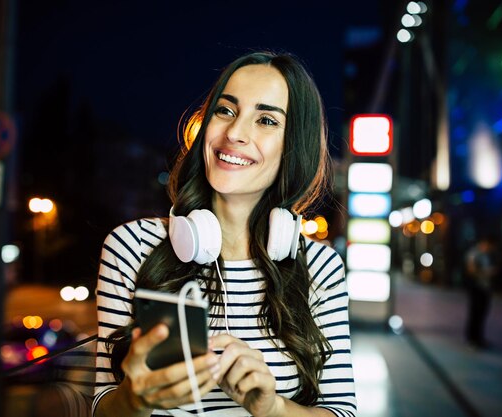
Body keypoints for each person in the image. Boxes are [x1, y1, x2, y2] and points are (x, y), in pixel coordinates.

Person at [92, 51, 357, 417]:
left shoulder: (321, 266)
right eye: (226, 110)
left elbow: (342, 411)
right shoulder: (131, 246)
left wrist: (272, 406)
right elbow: (101, 406)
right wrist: (133, 400)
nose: (234, 133)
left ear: (294, 145)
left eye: (265, 120)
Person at [464, 236, 499, 349]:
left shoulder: (487, 255)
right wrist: (487, 272)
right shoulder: (474, 253)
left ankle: (479, 337)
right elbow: (471, 270)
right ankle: (472, 338)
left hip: (485, 287)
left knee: (482, 313)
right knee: (475, 312)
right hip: (476, 287)